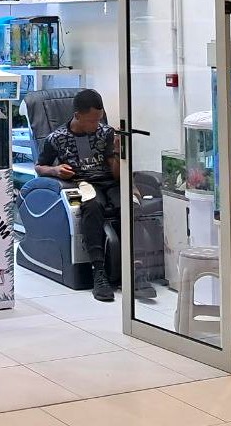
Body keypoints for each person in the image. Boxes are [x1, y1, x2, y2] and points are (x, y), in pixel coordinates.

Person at [35, 88, 157, 303]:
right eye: (92, 120)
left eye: (99, 119)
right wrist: (55, 170)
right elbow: (39, 167)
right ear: (77, 115)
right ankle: (99, 272)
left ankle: (136, 270)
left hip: (110, 182)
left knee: (130, 206)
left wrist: (118, 152)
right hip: (83, 183)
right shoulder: (57, 138)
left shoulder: (106, 133)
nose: (96, 125)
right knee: (91, 206)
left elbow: (116, 174)